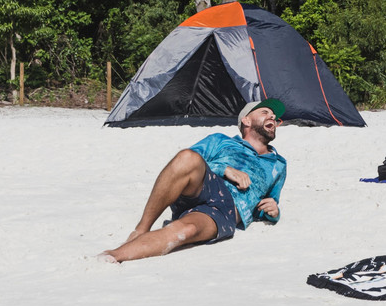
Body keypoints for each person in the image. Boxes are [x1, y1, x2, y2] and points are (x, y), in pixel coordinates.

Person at [101, 99, 287, 263]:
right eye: (265, 112)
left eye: (274, 117)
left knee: (187, 230)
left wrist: (274, 211)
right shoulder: (220, 140)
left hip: (227, 209)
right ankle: (141, 229)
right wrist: (225, 169)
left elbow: (268, 203)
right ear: (246, 120)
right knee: (187, 157)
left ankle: (113, 256)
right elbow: (184, 164)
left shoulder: (278, 164)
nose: (272, 117)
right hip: (204, 186)